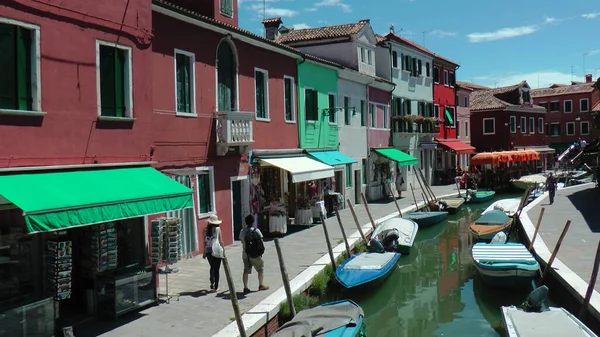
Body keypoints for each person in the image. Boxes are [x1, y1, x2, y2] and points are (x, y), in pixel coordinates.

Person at [239, 214, 269, 294]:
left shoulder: (242, 231)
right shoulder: (257, 230)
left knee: (246, 270)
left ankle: (245, 287)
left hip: (246, 254)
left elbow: (242, 241)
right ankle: (261, 285)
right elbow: (261, 242)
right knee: (260, 269)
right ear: (253, 222)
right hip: (255, 255)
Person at [202, 214, 224, 292]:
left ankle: (212, 281)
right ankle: (216, 287)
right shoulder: (218, 229)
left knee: (212, 266)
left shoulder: (205, 230)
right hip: (216, 250)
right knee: (216, 269)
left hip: (208, 251)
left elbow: (204, 242)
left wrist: (204, 252)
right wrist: (223, 250)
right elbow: (221, 241)